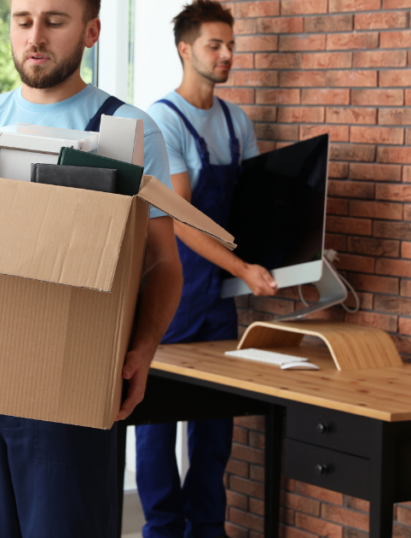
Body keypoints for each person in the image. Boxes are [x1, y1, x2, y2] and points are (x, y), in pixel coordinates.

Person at [0, 0, 180, 534]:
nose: (34, 35)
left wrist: (144, 346)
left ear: (91, 31)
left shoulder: (128, 132)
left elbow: (161, 262)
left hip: (73, 379)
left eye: (54, 21)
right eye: (23, 21)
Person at [135, 2, 278, 537]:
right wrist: (244, 267)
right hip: (170, 292)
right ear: (185, 49)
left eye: (231, 45)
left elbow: (252, 211)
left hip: (219, 300)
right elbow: (181, 220)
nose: (226, 55)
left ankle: (208, 529)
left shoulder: (236, 121)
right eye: (215, 45)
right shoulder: (161, 122)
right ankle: (164, 530)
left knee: (215, 427)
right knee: (155, 424)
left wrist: (291, 263)